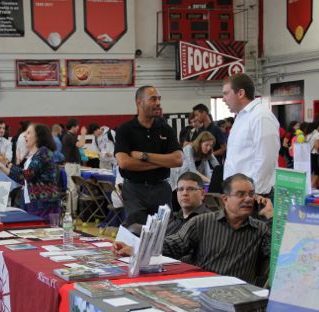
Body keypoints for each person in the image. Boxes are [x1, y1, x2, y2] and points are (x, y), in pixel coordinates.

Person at [114, 174, 273, 285]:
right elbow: (172, 245)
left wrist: (271, 217)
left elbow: (279, 257)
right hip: (202, 289)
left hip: (239, 295)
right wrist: (136, 248)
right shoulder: (202, 222)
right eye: (241, 194)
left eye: (251, 194)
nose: (248, 199)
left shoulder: (260, 229)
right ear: (225, 199)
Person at [115, 85, 183, 226]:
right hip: (134, 190)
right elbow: (125, 163)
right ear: (139, 103)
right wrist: (163, 161)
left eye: (159, 99)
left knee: (164, 232)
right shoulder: (125, 130)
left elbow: (178, 160)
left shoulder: (166, 129)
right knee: (136, 231)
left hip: (161, 189)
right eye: (153, 99)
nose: (158, 103)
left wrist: (144, 156)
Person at [222, 73, 280, 197]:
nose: (223, 99)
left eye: (226, 93)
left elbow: (266, 159)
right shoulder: (241, 117)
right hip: (237, 193)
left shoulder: (261, 116)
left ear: (241, 93)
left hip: (254, 195)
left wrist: (254, 193)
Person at [0, 123, 61, 221]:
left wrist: (6, 162)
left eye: (28, 133)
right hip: (34, 204)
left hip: (45, 204)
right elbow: (23, 180)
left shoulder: (43, 152)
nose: (24, 135)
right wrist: (1, 165)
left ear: (37, 137)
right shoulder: (34, 154)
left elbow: (25, 175)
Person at [62, 118, 86, 213]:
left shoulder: (71, 136)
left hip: (75, 165)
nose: (78, 128)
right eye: (77, 126)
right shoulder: (68, 136)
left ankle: (74, 211)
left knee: (76, 189)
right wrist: (83, 134)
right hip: (71, 165)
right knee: (72, 189)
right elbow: (80, 144)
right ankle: (70, 211)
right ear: (73, 126)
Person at [307, 120, 319, 189]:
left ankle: (313, 186)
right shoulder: (317, 134)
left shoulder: (309, 134)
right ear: (318, 126)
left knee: (312, 171)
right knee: (317, 171)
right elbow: (317, 147)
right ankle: (311, 186)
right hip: (314, 154)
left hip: (308, 154)